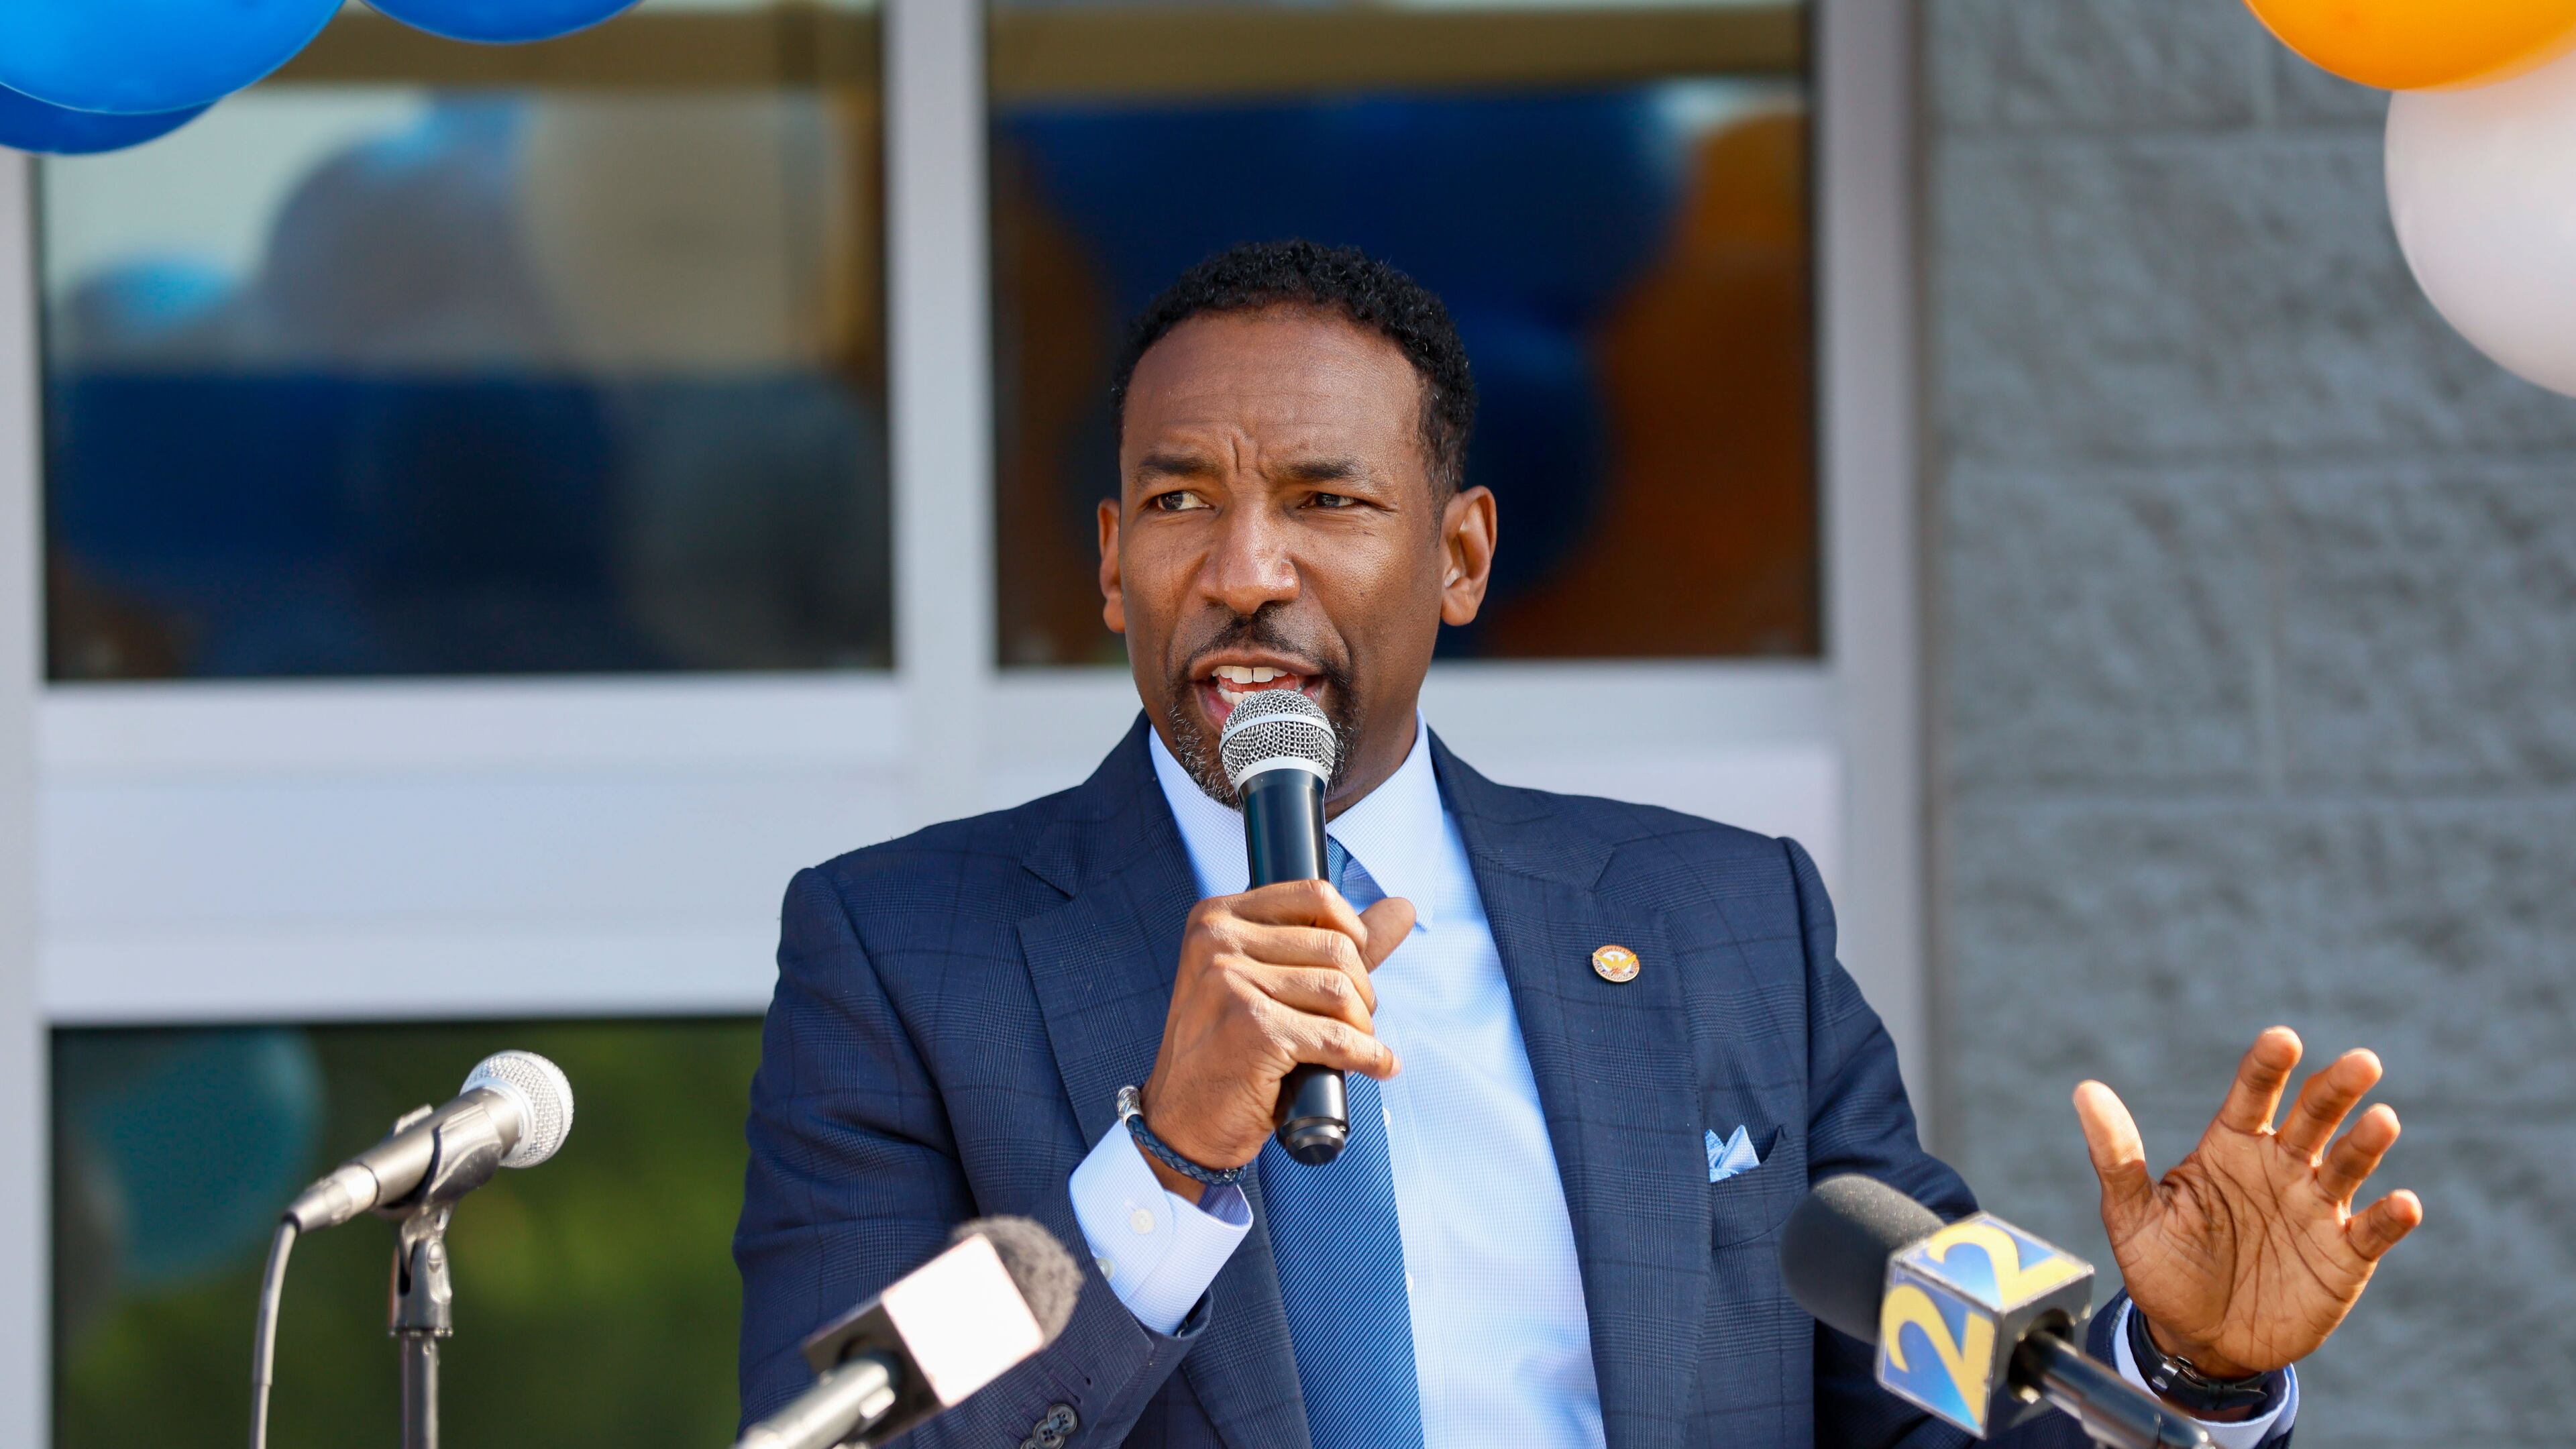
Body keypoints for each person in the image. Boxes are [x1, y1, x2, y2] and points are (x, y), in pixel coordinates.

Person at [735, 240, 2418, 1449]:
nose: (1245, 567)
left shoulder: (1722, 923)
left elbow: (1929, 1417)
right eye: (1180, 501)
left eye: (1327, 500)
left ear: (1461, 556)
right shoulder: (903, 952)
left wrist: (2183, 1370)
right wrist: (1168, 1165)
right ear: (1110, 567)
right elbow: (849, 1432)